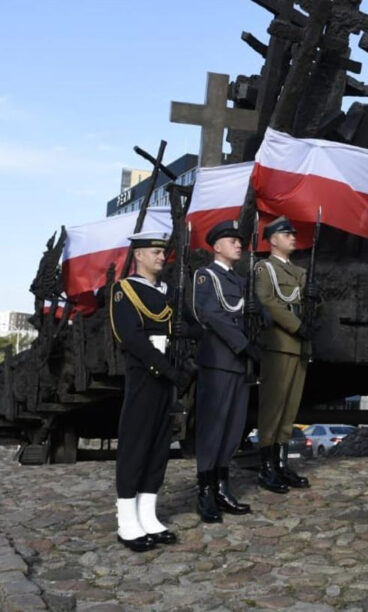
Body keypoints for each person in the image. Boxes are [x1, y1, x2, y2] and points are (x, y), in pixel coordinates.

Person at [109, 231, 194, 552]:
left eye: (163, 252)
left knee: (159, 444)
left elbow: (181, 326)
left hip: (168, 372)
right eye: (155, 252)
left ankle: (147, 513)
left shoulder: (169, 291)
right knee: (137, 443)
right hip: (146, 373)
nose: (161, 257)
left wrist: (190, 332)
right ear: (139, 255)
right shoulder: (125, 290)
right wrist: (168, 370)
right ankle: (126, 519)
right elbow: (131, 337)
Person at [192, 220, 262, 522]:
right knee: (213, 427)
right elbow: (211, 315)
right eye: (232, 240)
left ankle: (221, 487)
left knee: (233, 428)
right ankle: (205, 490)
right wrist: (244, 345)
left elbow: (252, 312)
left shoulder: (241, 281)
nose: (238, 244)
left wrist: (264, 316)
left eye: (239, 240)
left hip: (239, 365)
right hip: (219, 361)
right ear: (217, 246)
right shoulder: (206, 276)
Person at [254, 216, 311, 493]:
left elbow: (308, 306)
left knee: (289, 409)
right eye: (287, 234)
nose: (293, 238)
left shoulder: (300, 272)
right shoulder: (265, 269)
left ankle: (280, 464)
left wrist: (315, 301)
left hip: (299, 347)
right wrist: (297, 326)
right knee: (273, 408)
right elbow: (267, 301)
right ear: (273, 240)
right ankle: (266, 467)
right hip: (279, 344)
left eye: (293, 234)